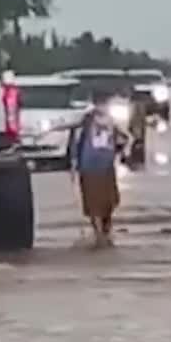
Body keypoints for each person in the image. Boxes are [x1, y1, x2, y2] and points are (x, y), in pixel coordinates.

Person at [70, 91, 129, 248]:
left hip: (105, 166)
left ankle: (104, 232)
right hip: (89, 166)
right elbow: (76, 140)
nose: (102, 107)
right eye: (100, 104)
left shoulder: (112, 122)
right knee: (93, 203)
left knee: (108, 202)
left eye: (104, 104)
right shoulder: (86, 120)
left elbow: (123, 138)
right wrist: (74, 162)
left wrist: (123, 150)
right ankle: (99, 235)